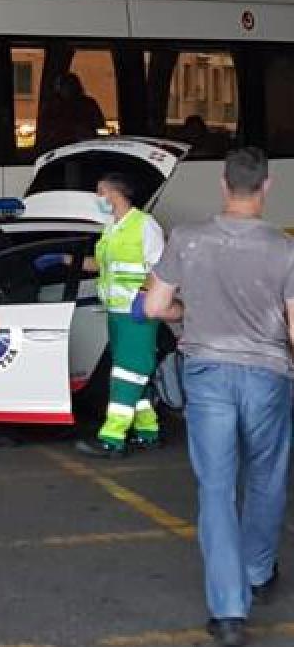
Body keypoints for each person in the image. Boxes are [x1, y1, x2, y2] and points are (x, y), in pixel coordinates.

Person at [143, 147, 293, 647]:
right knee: (267, 476)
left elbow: (154, 305)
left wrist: (191, 310)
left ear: (224, 186)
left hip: (207, 373)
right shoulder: (284, 249)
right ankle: (257, 572)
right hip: (269, 375)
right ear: (266, 188)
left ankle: (228, 612)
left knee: (216, 487)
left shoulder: (188, 240)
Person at [75, 172, 165, 458]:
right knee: (133, 373)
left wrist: (143, 298)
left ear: (114, 194)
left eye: (99, 192)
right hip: (115, 312)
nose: (97, 197)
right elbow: (102, 266)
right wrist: (65, 260)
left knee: (127, 374)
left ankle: (112, 439)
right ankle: (148, 431)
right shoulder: (112, 226)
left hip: (137, 313)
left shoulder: (144, 225)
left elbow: (161, 268)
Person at [38, 72, 106, 153]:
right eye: (65, 86)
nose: (68, 89)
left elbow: (100, 123)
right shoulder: (52, 106)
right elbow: (45, 128)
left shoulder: (88, 104)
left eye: (70, 86)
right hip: (60, 149)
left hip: (86, 147)